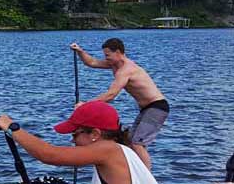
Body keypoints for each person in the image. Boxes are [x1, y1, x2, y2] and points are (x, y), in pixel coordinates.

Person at [0, 101, 159, 184]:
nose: (72, 140)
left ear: (95, 133)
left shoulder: (108, 149)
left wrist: (12, 128)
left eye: (75, 133)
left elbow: (50, 155)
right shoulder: (120, 148)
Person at [71, 38, 169, 166]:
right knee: (128, 141)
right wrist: (79, 51)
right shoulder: (114, 64)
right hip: (147, 109)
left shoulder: (126, 70)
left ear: (118, 52)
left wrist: (86, 105)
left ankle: (146, 177)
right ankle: (132, 170)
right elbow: (92, 62)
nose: (106, 58)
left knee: (138, 143)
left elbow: (111, 95)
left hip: (157, 107)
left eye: (107, 55)